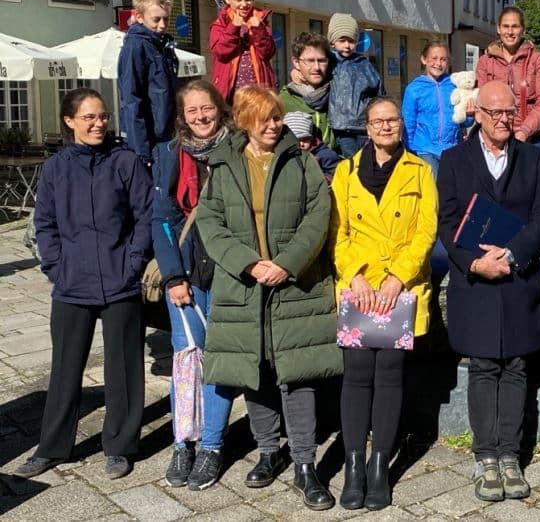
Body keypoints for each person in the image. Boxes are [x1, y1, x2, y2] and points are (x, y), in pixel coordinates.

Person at [197, 85, 341, 510]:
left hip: (294, 284)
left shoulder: (301, 160)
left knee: (296, 374)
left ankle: (304, 465)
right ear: (243, 119)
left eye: (277, 116)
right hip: (243, 287)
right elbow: (210, 221)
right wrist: (247, 262)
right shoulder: (222, 165)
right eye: (265, 118)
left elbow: (320, 213)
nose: (274, 124)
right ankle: (267, 451)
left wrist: (288, 261)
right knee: (254, 372)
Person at [16, 89, 152, 480]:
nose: (98, 124)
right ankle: (52, 447)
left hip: (119, 281)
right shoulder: (56, 168)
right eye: (89, 117)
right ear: (69, 121)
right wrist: (56, 267)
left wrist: (132, 263)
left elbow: (145, 216)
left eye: (103, 116)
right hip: (72, 283)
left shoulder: (125, 161)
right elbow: (44, 223)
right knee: (64, 369)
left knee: (124, 369)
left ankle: (121, 446)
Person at [437, 80, 540, 502]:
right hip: (476, 281)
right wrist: (474, 262)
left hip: (517, 276)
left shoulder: (533, 159)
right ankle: (485, 457)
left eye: (511, 111)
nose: (506, 119)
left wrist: (512, 253)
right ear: (478, 115)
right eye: (497, 113)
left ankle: (511, 455)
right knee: (485, 366)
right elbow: (448, 221)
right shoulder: (454, 160)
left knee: (518, 367)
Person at [331, 97, 438, 511]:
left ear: (400, 125)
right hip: (358, 287)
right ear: (367, 127)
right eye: (378, 121)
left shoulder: (420, 171)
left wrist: (398, 277)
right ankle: (354, 465)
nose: (385, 126)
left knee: (390, 375)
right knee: (357, 377)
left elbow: (426, 230)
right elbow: (335, 231)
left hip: (399, 286)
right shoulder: (346, 171)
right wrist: (355, 275)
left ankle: (380, 466)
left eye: (392, 120)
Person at [152, 80, 237, 490]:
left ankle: (212, 445)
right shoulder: (169, 155)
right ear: (182, 117)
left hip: (227, 273)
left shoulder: (238, 150)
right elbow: (162, 219)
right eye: (192, 111)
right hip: (185, 272)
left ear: (219, 109)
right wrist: (172, 276)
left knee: (218, 360)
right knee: (186, 360)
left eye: (207, 109)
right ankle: (183, 441)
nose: (201, 117)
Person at [475, 6, 540, 154]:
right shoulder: (485, 61)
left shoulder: (537, 60)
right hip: (495, 134)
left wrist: (524, 131)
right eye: (505, 26)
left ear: (523, 29)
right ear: (498, 29)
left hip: (532, 136)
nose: (510, 32)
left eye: (515, 26)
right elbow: (482, 100)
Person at [118, 0, 178, 163]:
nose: (162, 25)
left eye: (166, 19)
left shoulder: (163, 46)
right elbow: (131, 99)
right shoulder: (135, 46)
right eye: (156, 19)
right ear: (139, 17)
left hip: (165, 135)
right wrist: (141, 151)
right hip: (149, 140)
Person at [401, 40, 474, 177]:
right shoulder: (414, 89)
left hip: (452, 147)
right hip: (424, 149)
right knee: (433, 189)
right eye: (434, 58)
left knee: (450, 190)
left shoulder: (454, 86)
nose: (438, 64)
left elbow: (463, 122)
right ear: (424, 59)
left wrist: (469, 115)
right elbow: (408, 123)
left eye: (443, 59)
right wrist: (409, 150)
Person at [327, 13, 386, 158]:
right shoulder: (329, 61)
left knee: (366, 159)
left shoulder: (364, 64)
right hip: (341, 127)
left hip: (362, 126)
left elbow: (378, 92)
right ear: (333, 41)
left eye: (351, 41)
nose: (347, 45)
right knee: (351, 161)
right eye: (342, 40)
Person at [209, 0, 277, 101]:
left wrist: (259, 30)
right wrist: (233, 27)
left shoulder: (260, 21)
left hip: (258, 89)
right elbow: (220, 52)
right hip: (231, 91)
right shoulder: (220, 23)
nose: (244, 4)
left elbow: (268, 53)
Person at [280, 32, 336, 149]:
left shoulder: (338, 93)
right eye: (310, 61)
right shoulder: (283, 102)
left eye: (321, 61)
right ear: (296, 62)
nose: (316, 67)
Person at [284, 110, 341, 181]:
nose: (301, 144)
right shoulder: (284, 153)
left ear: (311, 138)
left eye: (305, 139)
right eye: (296, 140)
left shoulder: (324, 155)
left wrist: (321, 179)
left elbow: (335, 173)